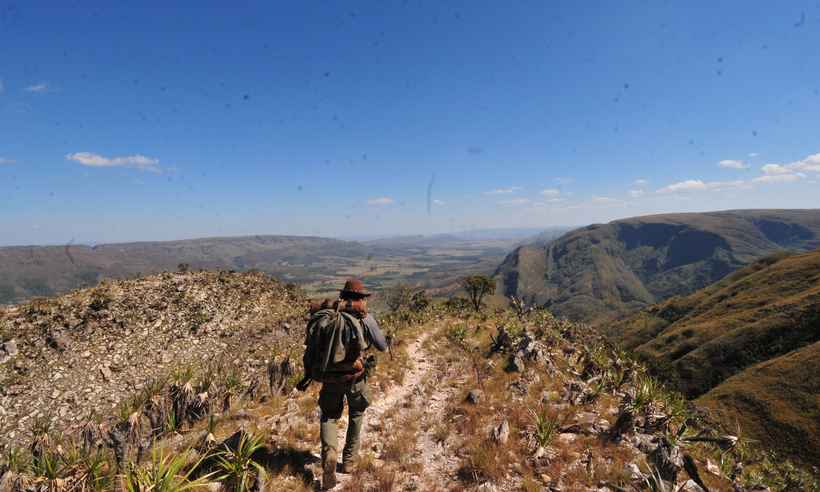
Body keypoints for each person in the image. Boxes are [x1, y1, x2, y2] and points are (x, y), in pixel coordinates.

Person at [312, 278, 387, 490]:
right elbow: (382, 345)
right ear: (361, 298)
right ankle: (349, 462)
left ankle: (329, 454)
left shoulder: (329, 317)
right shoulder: (365, 318)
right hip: (355, 377)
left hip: (331, 378)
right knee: (356, 413)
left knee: (329, 416)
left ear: (344, 296)